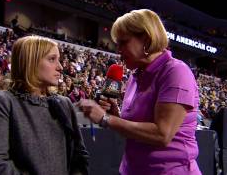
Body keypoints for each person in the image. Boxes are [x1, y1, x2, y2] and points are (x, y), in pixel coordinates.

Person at [78, 9, 201, 175]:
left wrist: (106, 119)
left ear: (146, 39)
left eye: (123, 42)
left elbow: (162, 134)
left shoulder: (176, 72)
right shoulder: (135, 75)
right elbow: (136, 130)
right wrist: (116, 115)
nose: (118, 50)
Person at [0, 35, 89, 175]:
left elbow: (79, 156)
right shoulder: (1, 102)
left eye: (59, 60)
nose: (60, 67)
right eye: (52, 59)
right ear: (31, 62)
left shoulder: (64, 103)